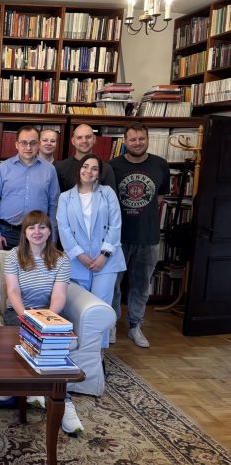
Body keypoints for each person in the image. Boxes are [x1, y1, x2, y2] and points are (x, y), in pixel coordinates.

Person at [3, 210, 83, 435]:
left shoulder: (61, 259)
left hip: (49, 313)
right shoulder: (13, 256)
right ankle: (33, 390)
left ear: (49, 231)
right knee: (24, 340)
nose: (37, 232)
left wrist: (43, 320)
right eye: (31, 227)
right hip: (18, 312)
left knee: (53, 349)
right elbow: (13, 291)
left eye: (42, 227)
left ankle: (64, 403)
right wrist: (27, 318)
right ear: (24, 232)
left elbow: (59, 296)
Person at [109, 122, 170, 348]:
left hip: (148, 237)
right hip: (118, 238)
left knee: (142, 284)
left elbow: (159, 198)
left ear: (148, 139)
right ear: (125, 142)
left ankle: (135, 325)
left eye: (141, 138)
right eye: (133, 139)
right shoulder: (113, 166)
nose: (137, 143)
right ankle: (111, 324)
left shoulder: (160, 165)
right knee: (113, 284)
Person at [56, 153, 126, 348]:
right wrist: (79, 255)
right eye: (86, 166)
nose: (89, 171)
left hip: (106, 261)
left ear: (99, 174)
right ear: (79, 169)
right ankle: (79, 351)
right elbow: (63, 229)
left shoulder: (107, 193)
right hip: (78, 260)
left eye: (94, 168)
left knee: (100, 307)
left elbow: (115, 225)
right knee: (79, 309)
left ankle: (98, 353)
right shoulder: (65, 197)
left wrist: (104, 255)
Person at [0, 125, 59, 250]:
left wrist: (53, 238)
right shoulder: (3, 168)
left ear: (38, 144)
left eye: (32, 143)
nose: (28, 147)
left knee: (37, 264)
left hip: (38, 234)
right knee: (6, 264)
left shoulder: (50, 170)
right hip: (6, 234)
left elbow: (54, 205)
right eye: (24, 143)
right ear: (16, 144)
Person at [55, 123, 116, 192]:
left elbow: (110, 197)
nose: (84, 141)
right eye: (79, 137)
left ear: (94, 139)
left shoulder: (106, 168)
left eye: (88, 137)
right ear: (73, 141)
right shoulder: (61, 168)